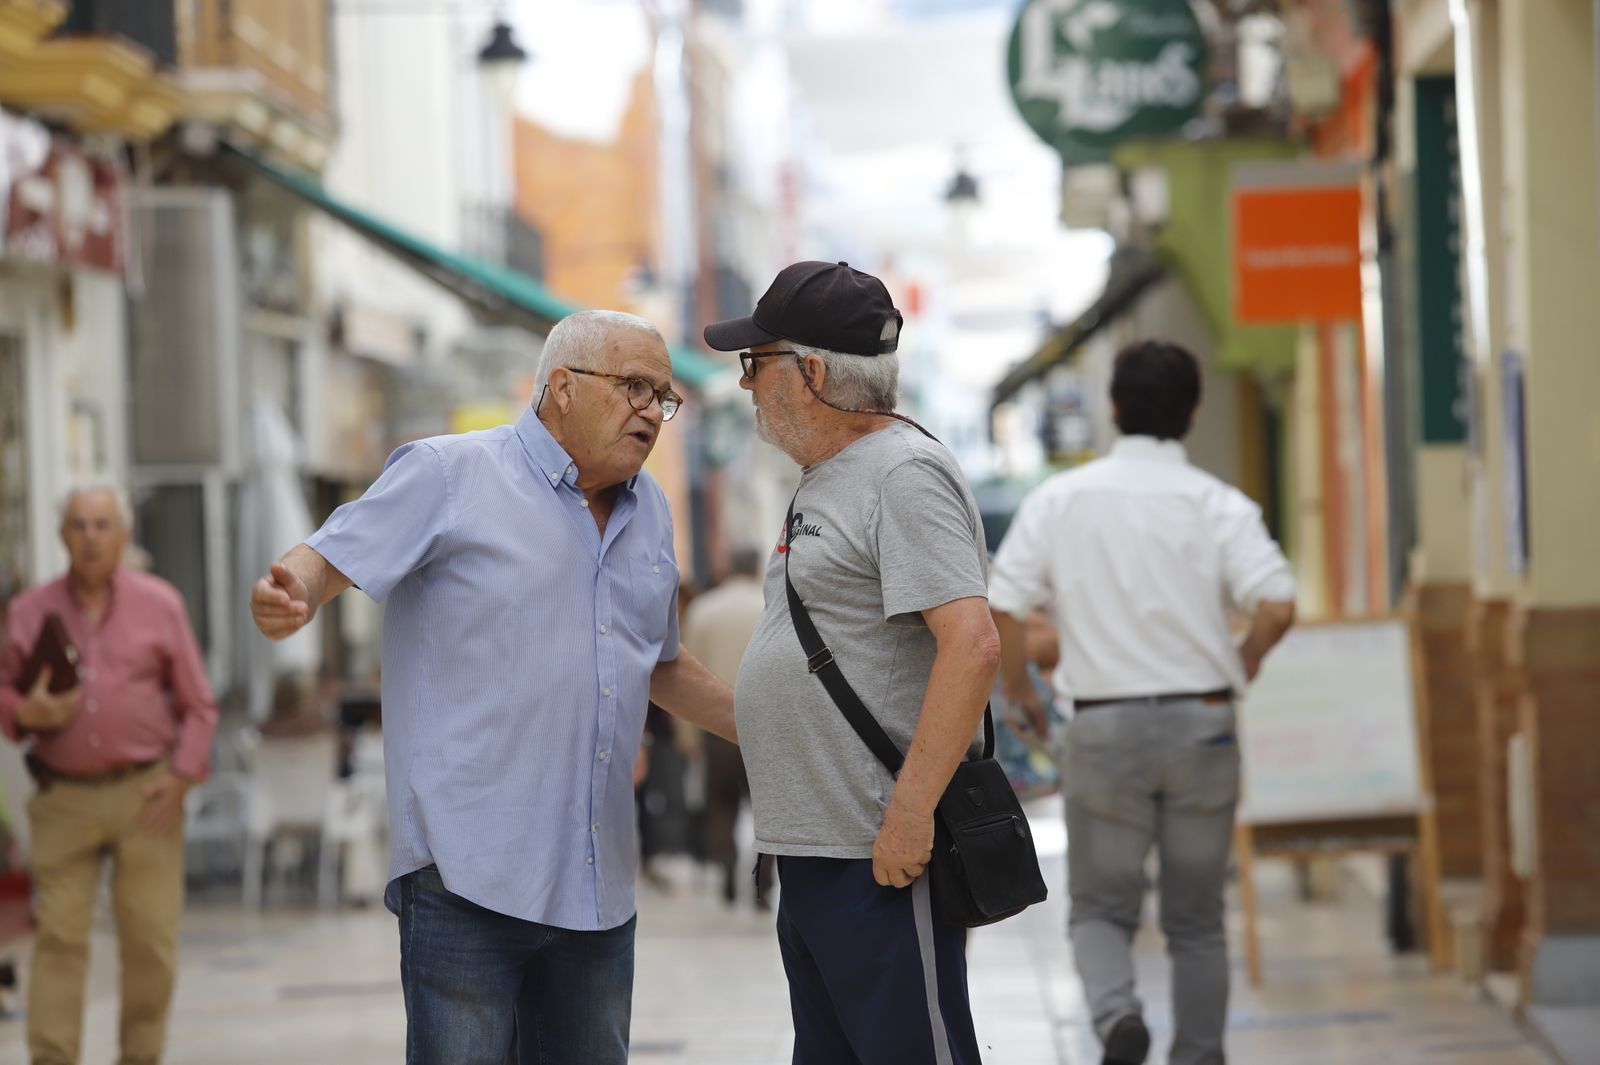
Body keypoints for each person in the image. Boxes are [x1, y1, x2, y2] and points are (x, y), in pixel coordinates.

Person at [250, 310, 736, 1065]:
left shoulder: (652, 514)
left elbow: (659, 662)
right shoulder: (450, 474)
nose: (652, 410)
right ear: (563, 389)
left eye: (663, 397)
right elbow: (331, 553)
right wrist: (295, 592)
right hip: (465, 877)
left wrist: (770, 730)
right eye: (634, 387)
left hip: (597, 885)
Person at [703, 261, 999, 1064]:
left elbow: (972, 644)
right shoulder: (828, 478)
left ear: (812, 373)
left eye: (754, 365)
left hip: (879, 852)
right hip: (816, 849)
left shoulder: (901, 474)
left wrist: (907, 815)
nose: (745, 386)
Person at [988, 339, 1297, 1065]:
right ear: (1191, 413)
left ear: (1115, 408)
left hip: (1103, 727)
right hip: (1204, 724)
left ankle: (1117, 1014)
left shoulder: (1060, 500)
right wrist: (1241, 664)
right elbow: (1278, 603)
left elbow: (1003, 601)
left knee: (1099, 906)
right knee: (1196, 919)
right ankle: (1197, 1054)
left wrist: (1024, 690)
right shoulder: (1219, 504)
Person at [0, 484, 218, 1065]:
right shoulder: (28, 613)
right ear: (61, 534)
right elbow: (3, 690)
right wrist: (23, 712)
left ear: (123, 535)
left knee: (150, 944)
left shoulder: (161, 604)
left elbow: (199, 706)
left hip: (144, 794)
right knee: (59, 941)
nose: (91, 537)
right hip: (61, 798)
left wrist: (180, 778)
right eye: (79, 525)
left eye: (102, 525)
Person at [679, 546, 773, 908]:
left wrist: (687, 734)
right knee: (768, 809)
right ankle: (762, 885)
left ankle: (726, 871)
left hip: (714, 724)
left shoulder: (704, 609)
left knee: (720, 804)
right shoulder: (770, 604)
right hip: (768, 727)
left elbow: (685, 667)